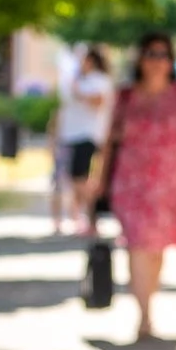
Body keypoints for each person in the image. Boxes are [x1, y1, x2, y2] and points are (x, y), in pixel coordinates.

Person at [98, 33, 176, 340]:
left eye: (163, 55)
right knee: (138, 245)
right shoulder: (126, 96)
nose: (157, 62)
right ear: (140, 59)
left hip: (167, 183)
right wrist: (97, 180)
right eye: (151, 55)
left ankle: (149, 303)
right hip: (132, 182)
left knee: (157, 250)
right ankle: (144, 315)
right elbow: (108, 140)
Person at [52, 47, 114, 235]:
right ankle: (80, 218)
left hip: (87, 136)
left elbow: (98, 102)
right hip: (70, 136)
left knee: (82, 180)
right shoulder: (76, 80)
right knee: (74, 180)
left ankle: (91, 219)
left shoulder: (99, 81)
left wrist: (76, 89)